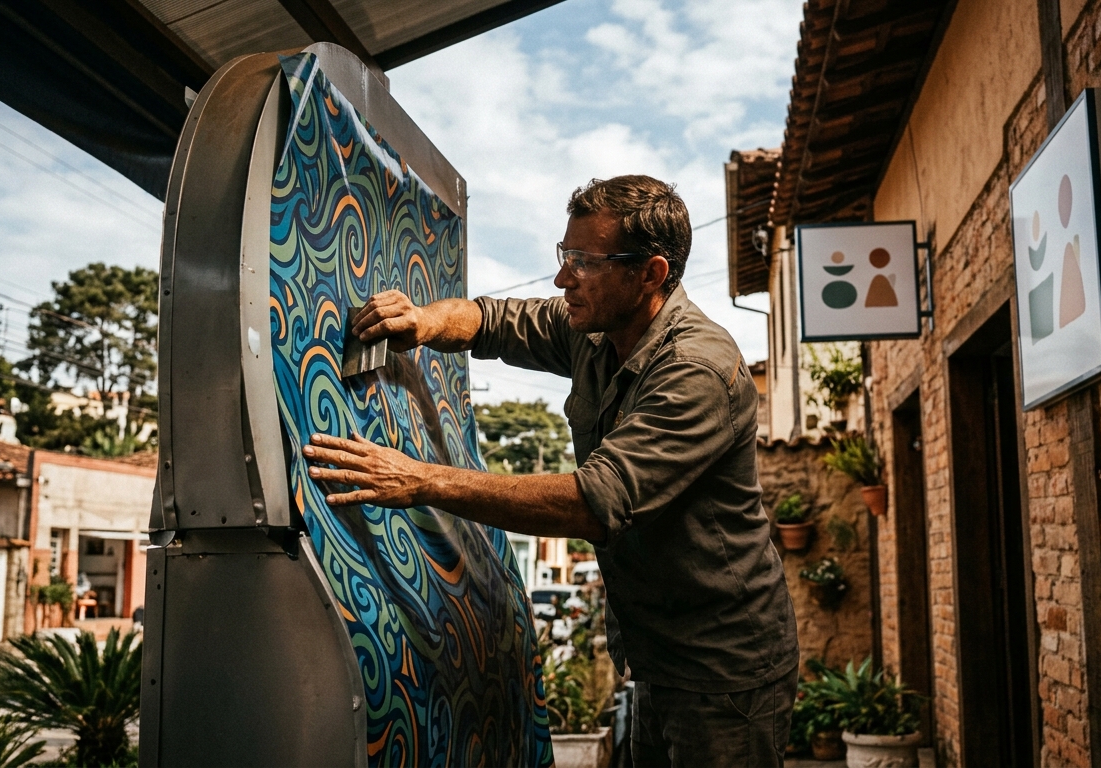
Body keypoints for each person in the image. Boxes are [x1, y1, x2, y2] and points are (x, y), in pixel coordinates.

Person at [304, 175, 799, 766]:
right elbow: (491, 319)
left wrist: (421, 480)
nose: (564, 278)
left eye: (585, 262)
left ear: (651, 274)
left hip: (726, 669)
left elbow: (593, 503)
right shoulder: (597, 329)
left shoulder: (697, 370)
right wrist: (425, 321)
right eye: (566, 254)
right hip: (656, 654)